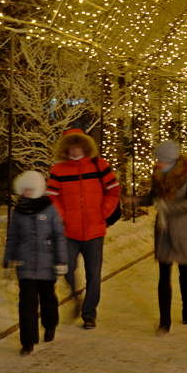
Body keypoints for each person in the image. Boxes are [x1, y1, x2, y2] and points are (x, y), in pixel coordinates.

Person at [47, 128, 120, 329]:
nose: (74, 149)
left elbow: (114, 191)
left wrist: (102, 213)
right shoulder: (58, 170)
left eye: (77, 145)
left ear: (85, 146)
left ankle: (89, 313)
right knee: (67, 268)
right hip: (70, 231)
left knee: (93, 274)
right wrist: (63, 216)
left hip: (95, 231)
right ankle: (76, 298)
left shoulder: (99, 165)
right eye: (70, 145)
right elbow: (52, 195)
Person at [126, 140, 187, 334]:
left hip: (183, 228)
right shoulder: (157, 175)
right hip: (164, 229)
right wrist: (136, 200)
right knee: (164, 274)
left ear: (171, 161)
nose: (157, 164)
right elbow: (153, 197)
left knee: (185, 270)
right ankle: (164, 321)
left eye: (161, 161)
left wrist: (170, 207)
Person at [3, 169, 68, 355]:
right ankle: (28, 340)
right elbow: (13, 237)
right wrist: (9, 258)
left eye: (31, 189)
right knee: (26, 304)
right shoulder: (18, 212)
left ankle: (49, 324)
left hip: (47, 265)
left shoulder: (50, 209)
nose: (27, 193)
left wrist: (61, 260)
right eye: (24, 190)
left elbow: (59, 236)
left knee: (47, 298)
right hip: (25, 265)